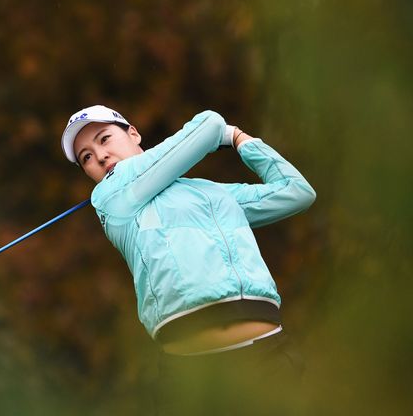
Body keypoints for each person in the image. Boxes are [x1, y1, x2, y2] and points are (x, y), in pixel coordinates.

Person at [62, 105, 316, 413]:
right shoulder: (110, 199)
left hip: (268, 359)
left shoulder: (212, 193)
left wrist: (240, 139)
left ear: (133, 134)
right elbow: (209, 125)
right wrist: (223, 132)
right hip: (188, 378)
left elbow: (296, 192)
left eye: (104, 139)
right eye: (86, 157)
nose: (99, 157)